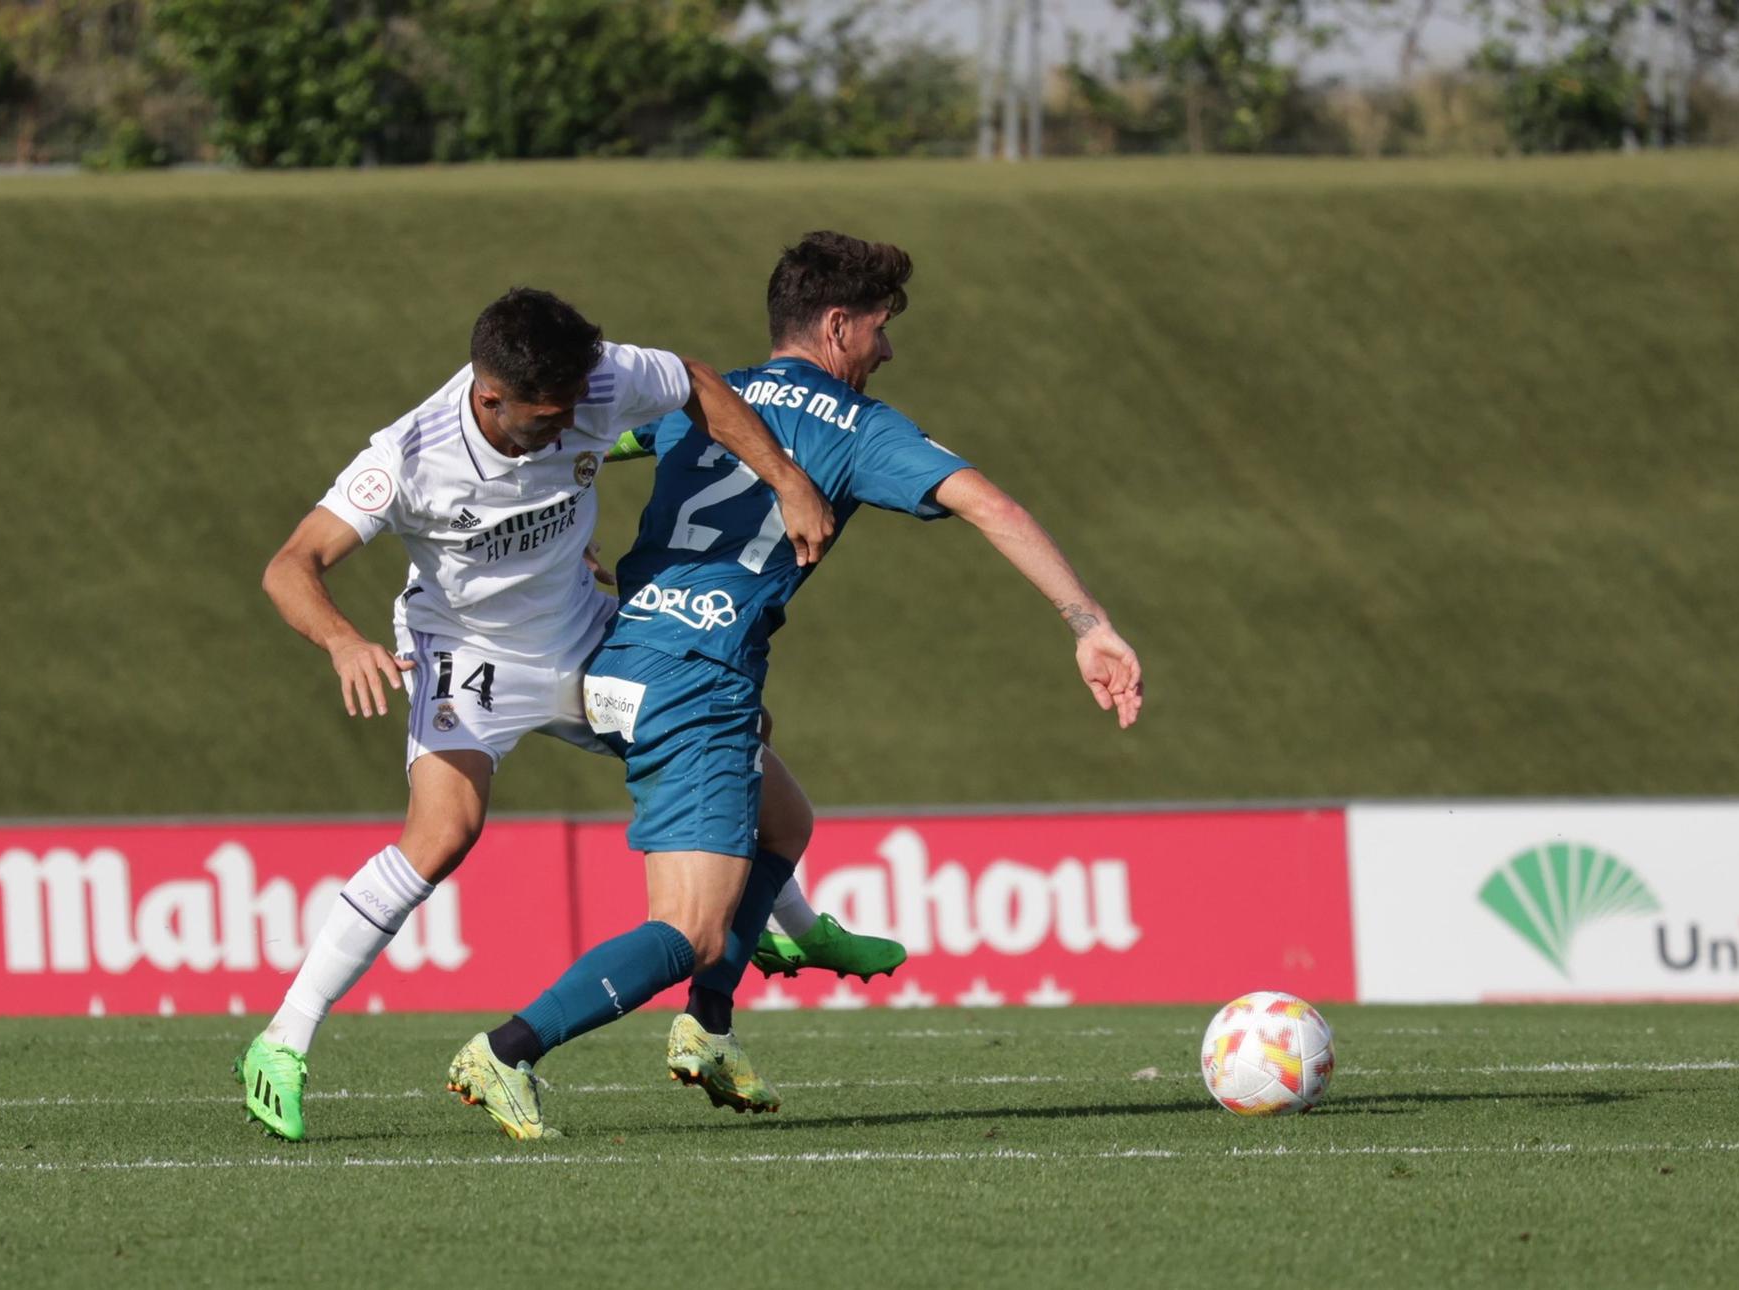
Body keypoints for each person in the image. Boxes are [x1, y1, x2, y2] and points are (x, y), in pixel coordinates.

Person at [446, 232, 1145, 1140]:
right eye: (882, 330)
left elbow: (572, 441)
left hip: (622, 659)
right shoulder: (858, 425)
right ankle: (508, 1050)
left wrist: (552, 535)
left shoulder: (708, 396)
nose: (888, 352)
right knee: (689, 931)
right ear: (838, 325)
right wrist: (1088, 624)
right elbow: (993, 507)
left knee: (786, 822)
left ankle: (710, 1028)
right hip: (696, 681)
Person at [237, 286, 869, 1141]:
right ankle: (283, 1038)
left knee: (735, 735)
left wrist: (788, 481)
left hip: (584, 638)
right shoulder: (407, 458)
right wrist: (345, 642)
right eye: (546, 417)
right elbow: (291, 564)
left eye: (577, 407)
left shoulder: (599, 380)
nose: (570, 426)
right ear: (490, 396)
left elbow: (697, 384)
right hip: (469, 660)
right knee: (444, 833)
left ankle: (788, 929)